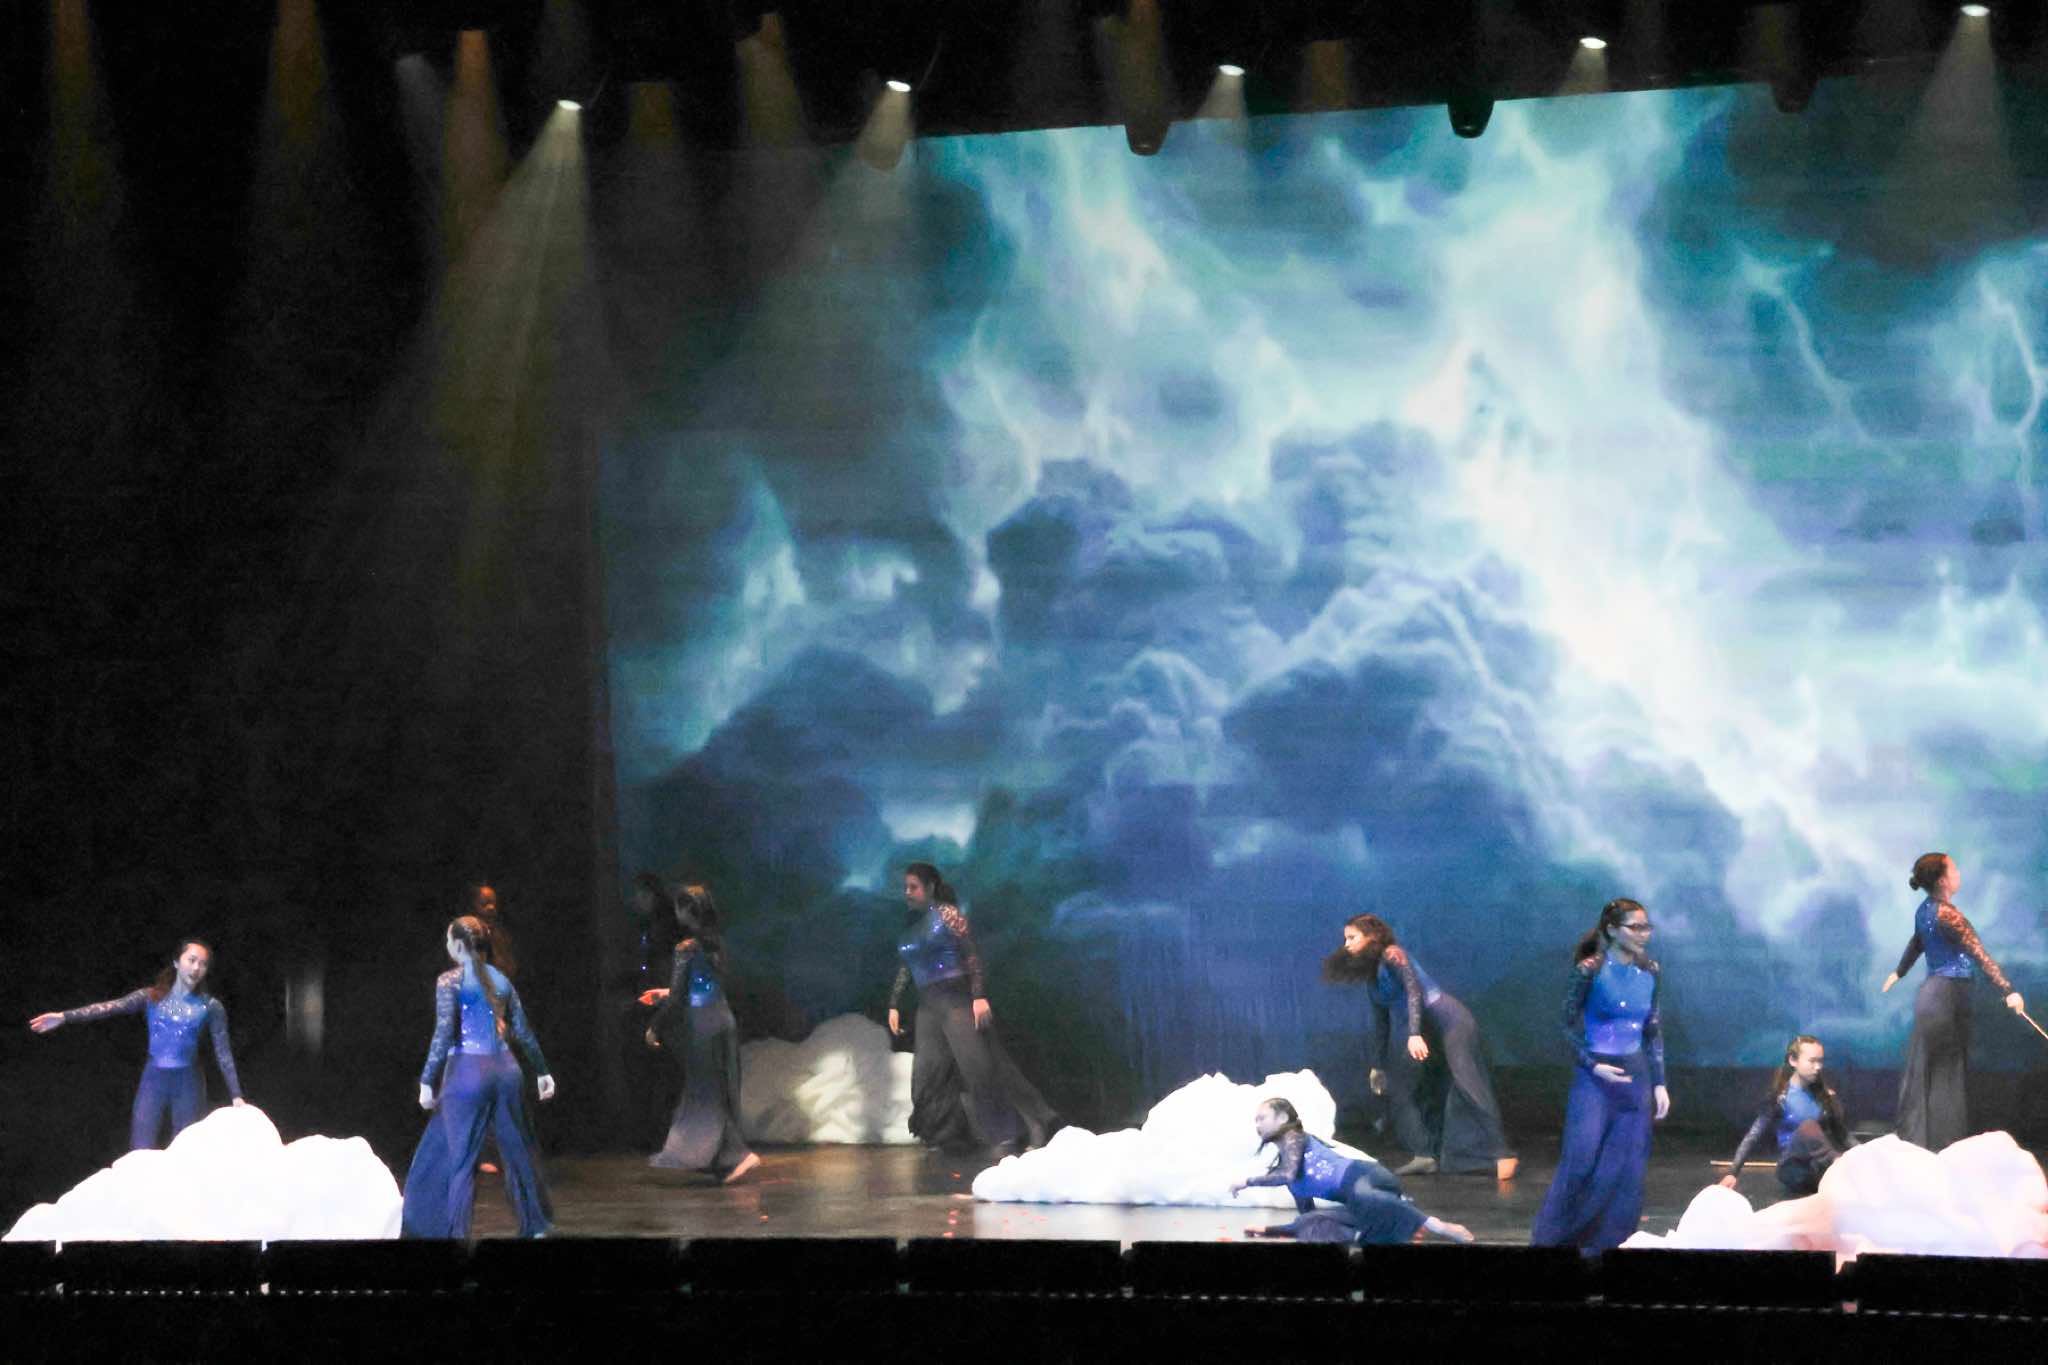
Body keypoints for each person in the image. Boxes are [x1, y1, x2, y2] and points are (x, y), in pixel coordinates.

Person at [1322, 914, 1517, 1180]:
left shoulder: (1393, 954)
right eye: (1345, 939)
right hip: (1426, 1032)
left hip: (1449, 1022)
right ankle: (1424, 1154)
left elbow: (1414, 992)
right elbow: (1382, 1023)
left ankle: (1502, 1153)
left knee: (1467, 1082)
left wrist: (1413, 1033)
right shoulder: (1373, 977)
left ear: (1372, 937)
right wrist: (1378, 1065)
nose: (1346, 944)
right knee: (1405, 1088)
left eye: (1352, 937)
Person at [886, 862, 1058, 1155]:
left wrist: (978, 996)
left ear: (930, 887)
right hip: (928, 1006)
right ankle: (946, 1134)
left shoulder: (947, 914)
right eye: (906, 887)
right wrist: (894, 1004)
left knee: (981, 1067)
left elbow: (971, 954)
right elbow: (906, 967)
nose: (908, 892)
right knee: (928, 1074)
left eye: (913, 887)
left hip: (955, 999)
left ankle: (1027, 1126)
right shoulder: (911, 926)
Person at [401, 915, 556, 1239]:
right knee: (517, 1153)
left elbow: (443, 1034)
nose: (447, 945)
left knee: (460, 1161)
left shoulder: (450, 981)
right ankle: (535, 1227)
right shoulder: (501, 980)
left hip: (468, 1073)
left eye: (448, 940)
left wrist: (427, 1080)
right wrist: (542, 1071)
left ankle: (455, 1234)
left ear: (458, 945)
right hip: (507, 1071)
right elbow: (523, 1032)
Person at [1530, 898, 1670, 1252]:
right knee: (1581, 1160)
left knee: (1627, 1167)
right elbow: (1565, 1024)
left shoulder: (1651, 971)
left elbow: (1652, 1030)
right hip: (1595, 1077)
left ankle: (1609, 1244)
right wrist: (1592, 1064)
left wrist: (1659, 1082)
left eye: (1646, 927)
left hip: (1635, 1076)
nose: (1644, 934)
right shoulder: (1590, 970)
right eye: (1635, 927)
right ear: (1611, 930)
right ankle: (1553, 1240)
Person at [30, 938, 248, 1149]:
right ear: (176, 962)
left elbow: (223, 1052)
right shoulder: (151, 997)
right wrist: (65, 1016)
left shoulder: (210, 1006)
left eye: (203, 964)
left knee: (185, 1148)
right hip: (154, 1078)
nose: (196, 968)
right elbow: (110, 1007)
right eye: (191, 960)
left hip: (188, 1082)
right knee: (140, 1146)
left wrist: (236, 1095)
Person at [1881, 852, 2024, 1152]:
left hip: (1932, 995)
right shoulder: (1948, 915)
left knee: (1932, 1070)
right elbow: (1978, 953)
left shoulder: (1925, 910)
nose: (1958, 874)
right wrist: (2008, 989)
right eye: (1954, 869)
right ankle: (1942, 1144)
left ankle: (1927, 1142)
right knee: (1946, 1072)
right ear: (1943, 880)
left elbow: (1917, 942)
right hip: (1947, 996)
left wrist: (1899, 972)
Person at [640, 885, 761, 1183]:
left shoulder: (687, 949)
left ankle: (737, 1155)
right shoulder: (716, 944)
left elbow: (680, 997)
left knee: (706, 1093)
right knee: (719, 1090)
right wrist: (664, 993)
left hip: (704, 1025)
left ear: (686, 911)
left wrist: (656, 1025)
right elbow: (704, 986)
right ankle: (724, 1157)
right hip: (723, 1020)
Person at [1232, 1098, 1473, 1244]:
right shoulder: (1289, 1174)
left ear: (1283, 1117)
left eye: (1262, 1118)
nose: (1257, 1124)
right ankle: (1398, 1219)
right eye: (1255, 1120)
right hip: (1358, 1197)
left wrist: (1247, 1181)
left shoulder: (1294, 1137)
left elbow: (1287, 1173)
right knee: (1317, 1223)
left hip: (1364, 1176)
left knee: (1364, 1196)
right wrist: (1270, 1231)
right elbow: (1306, 1217)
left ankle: (1438, 1226)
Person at [1719, 1035, 1855, 1199]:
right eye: (1812, 1061)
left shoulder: (1824, 1097)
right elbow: (1753, 1136)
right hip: (1792, 1169)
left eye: (1820, 1061)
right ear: (1793, 1060)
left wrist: (1866, 1154)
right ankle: (1838, 1163)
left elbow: (1843, 1135)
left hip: (1816, 1170)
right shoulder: (1780, 1098)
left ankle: (1838, 1168)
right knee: (1808, 1127)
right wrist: (1733, 1172)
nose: (1818, 1067)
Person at [619, 872, 684, 1150]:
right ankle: (651, 1132)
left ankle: (663, 1132)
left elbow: (665, 971)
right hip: (650, 1005)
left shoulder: (666, 929)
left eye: (642, 895)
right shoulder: (645, 928)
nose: (637, 901)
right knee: (649, 1071)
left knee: (664, 1070)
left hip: (663, 1007)